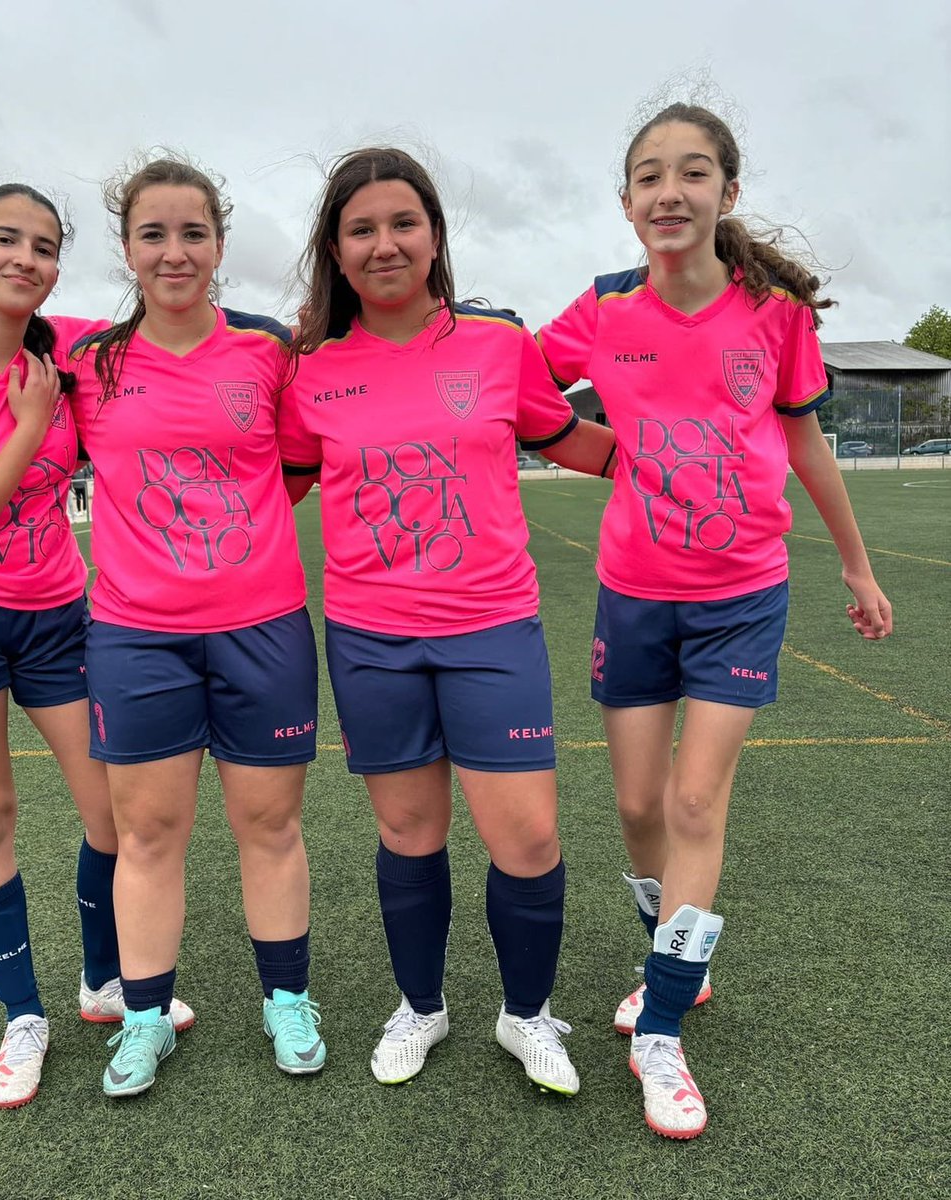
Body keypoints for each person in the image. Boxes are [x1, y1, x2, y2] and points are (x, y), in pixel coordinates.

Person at [538, 103, 892, 1138]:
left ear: (726, 193)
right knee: (640, 803)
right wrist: (597, 452)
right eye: (649, 177)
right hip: (634, 592)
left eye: (693, 174)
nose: (670, 193)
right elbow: (518, 392)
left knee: (695, 804)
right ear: (625, 203)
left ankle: (660, 1029)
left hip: (742, 592)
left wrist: (859, 570)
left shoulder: (774, 311)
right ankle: (675, 959)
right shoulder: (602, 310)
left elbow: (808, 444)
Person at [278, 147, 616, 1093]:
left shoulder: (496, 347)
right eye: (361, 230)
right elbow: (273, 489)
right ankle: (420, 1009)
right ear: (335, 253)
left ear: (432, 237)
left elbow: (575, 443)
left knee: (529, 840)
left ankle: (526, 1016)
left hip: (491, 632)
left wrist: (681, 442)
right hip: (372, 641)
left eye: (402, 224)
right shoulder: (311, 370)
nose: (384, 244)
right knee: (408, 837)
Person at [0, 184, 192, 1110]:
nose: (26, 259)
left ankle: (102, 982)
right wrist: (25, 423)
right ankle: (23, 1016)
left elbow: (172, 324)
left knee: (115, 817)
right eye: (5, 241)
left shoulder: (77, 347)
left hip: (58, 613)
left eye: (45, 247)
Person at [65, 157, 323, 1099]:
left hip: (261, 629)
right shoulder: (86, 360)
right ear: (127, 248)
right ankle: (143, 1020)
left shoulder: (267, 350)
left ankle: (287, 1001)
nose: (174, 253)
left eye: (192, 234)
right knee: (149, 831)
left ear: (218, 242)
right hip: (135, 636)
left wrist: (229, 540)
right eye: (153, 235)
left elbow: (296, 468)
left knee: (270, 822)